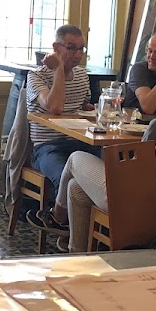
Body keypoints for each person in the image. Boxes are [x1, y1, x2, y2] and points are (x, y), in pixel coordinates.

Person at [33, 49, 156, 252]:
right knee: (76, 188)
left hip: (143, 207)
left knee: (75, 159)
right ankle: (77, 256)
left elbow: (135, 171)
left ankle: (57, 216)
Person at [24, 24, 98, 205]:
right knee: (68, 181)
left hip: (80, 142)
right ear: (56, 48)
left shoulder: (82, 75)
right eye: (71, 48)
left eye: (81, 49)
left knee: (111, 172)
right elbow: (55, 107)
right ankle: (59, 218)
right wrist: (58, 69)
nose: (78, 55)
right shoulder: (36, 76)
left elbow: (83, 105)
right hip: (48, 146)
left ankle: (92, 221)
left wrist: (98, 108)